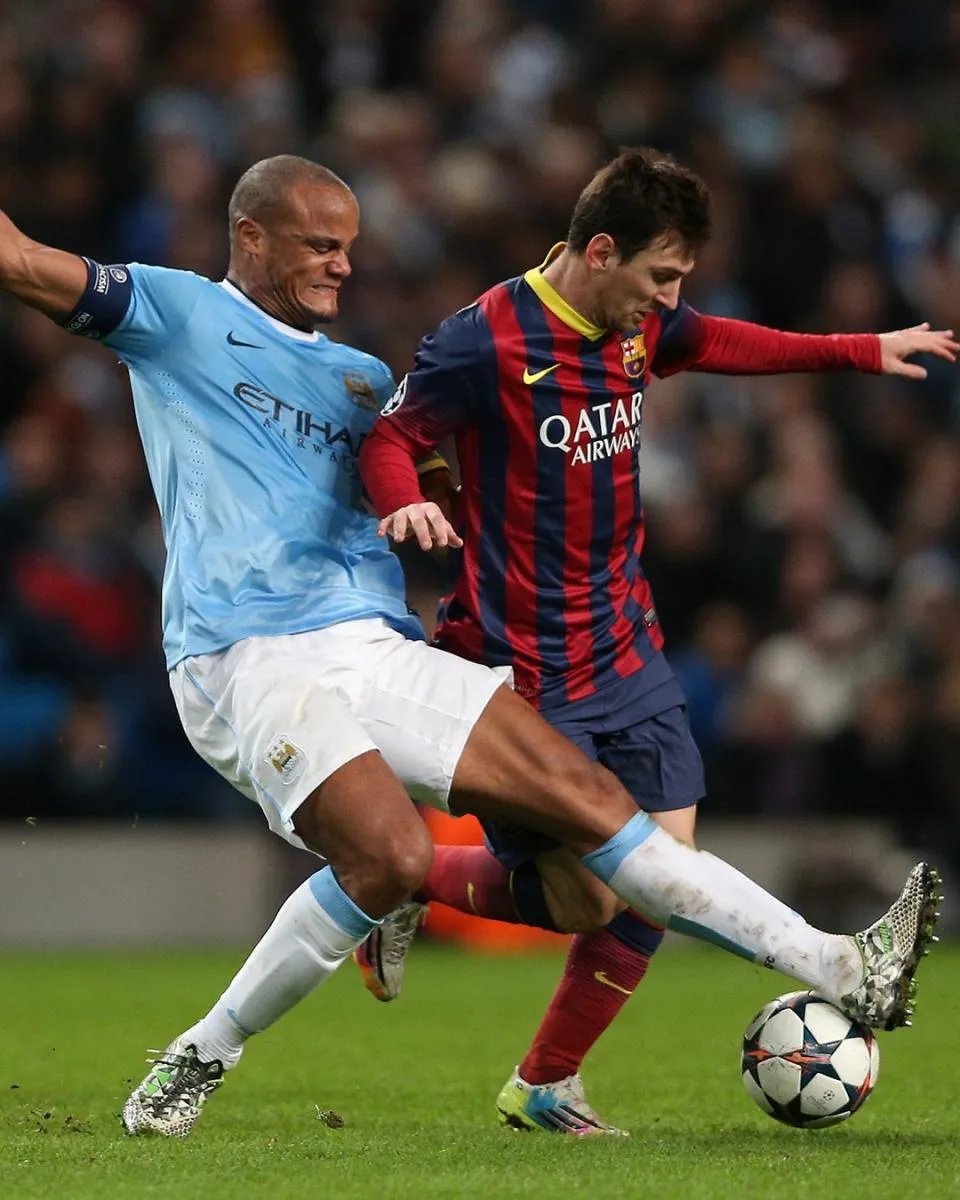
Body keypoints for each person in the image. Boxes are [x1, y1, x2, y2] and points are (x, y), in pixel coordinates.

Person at [0, 154, 939, 1141]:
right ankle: (203, 1052)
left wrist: (429, 500)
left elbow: (408, 457)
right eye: (320, 245)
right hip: (250, 652)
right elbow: (19, 261)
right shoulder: (173, 312)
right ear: (250, 236)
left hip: (378, 642)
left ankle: (841, 963)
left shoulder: (362, 379)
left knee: (600, 823)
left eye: (349, 247)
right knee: (391, 855)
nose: (343, 265)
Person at [356, 146, 954, 1136]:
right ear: (600, 251)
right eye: (660, 276)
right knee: (590, 900)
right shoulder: (484, 339)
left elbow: (721, 342)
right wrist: (403, 504)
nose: (670, 299)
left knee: (661, 880)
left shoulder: (637, 325)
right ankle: (408, 876)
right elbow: (391, 436)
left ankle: (545, 1084)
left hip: (626, 646)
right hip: (523, 667)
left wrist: (859, 349)